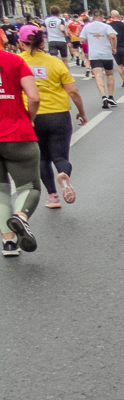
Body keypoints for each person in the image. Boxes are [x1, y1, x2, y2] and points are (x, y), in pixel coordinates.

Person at [18, 24, 85, 210]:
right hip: (59, 115)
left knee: (42, 158)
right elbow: (73, 91)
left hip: (32, 116)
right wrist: (81, 111)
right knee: (60, 155)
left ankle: (53, 196)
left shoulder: (17, 62)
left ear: (20, 43)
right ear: (42, 41)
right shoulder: (55, 62)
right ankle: (63, 174)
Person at [0, 43, 41, 257]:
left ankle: (8, 243)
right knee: (29, 187)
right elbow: (34, 97)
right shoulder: (15, 61)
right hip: (17, 133)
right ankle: (21, 217)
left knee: (0, 190)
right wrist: (29, 119)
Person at [79, 13, 118, 109]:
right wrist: (114, 47)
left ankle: (103, 97)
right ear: (101, 17)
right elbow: (113, 36)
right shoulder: (106, 26)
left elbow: (82, 39)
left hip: (94, 55)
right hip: (106, 54)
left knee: (98, 76)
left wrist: (91, 41)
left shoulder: (87, 27)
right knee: (109, 75)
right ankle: (111, 96)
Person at [108, 10, 124, 89]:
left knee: (119, 65)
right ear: (119, 16)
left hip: (115, 47)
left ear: (111, 16)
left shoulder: (109, 26)